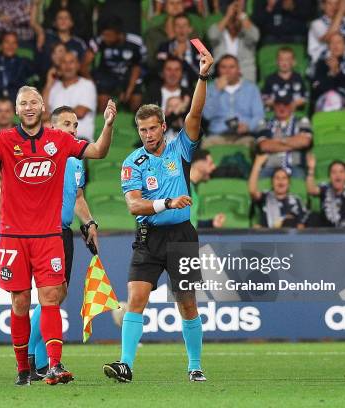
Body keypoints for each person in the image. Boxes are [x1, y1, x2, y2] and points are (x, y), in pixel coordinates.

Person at [0, 86, 117, 386]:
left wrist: (108, 126)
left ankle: (54, 365)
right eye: (23, 103)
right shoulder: (6, 139)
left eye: (34, 101)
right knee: (20, 302)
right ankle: (23, 369)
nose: (29, 107)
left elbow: (99, 151)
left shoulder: (60, 140)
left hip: (48, 236)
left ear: (43, 107)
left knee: (50, 298)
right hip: (14, 236)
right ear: (17, 111)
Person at [102, 48, 214, 384]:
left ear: (164, 126)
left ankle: (195, 365)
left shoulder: (181, 147)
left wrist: (202, 76)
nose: (148, 135)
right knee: (136, 297)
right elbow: (134, 206)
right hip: (149, 237)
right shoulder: (132, 163)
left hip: (181, 236)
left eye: (153, 128)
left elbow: (194, 112)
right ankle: (125, 365)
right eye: (143, 130)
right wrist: (166, 202)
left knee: (187, 304)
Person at [27, 105, 100, 381]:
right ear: (52, 127)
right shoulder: (42, 154)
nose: (73, 129)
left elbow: (78, 197)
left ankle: (39, 360)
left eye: (75, 125)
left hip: (64, 231)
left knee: (59, 295)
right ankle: (38, 360)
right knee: (52, 296)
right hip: (43, 232)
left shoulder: (77, 158)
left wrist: (89, 222)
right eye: (67, 124)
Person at [82, 17, 145, 113]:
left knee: (136, 98)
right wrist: (92, 84)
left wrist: (129, 90)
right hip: (107, 75)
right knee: (103, 98)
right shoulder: (99, 40)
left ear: (119, 34)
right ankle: (102, 123)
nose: (104, 37)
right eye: (103, 34)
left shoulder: (135, 42)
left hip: (128, 75)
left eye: (108, 35)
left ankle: (135, 124)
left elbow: (137, 67)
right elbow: (84, 64)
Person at [202, 54, 264, 148]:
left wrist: (248, 126)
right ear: (218, 69)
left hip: (244, 136)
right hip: (217, 136)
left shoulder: (251, 89)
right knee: (205, 145)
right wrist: (217, 91)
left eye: (232, 67)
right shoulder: (210, 88)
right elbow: (207, 115)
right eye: (223, 67)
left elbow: (259, 116)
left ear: (238, 69)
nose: (227, 71)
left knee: (253, 145)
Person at [256, 93, 312, 179]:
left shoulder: (302, 121)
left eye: (285, 105)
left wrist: (278, 141)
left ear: (292, 106)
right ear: (274, 106)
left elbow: (304, 142)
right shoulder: (264, 122)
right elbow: (264, 146)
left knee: (299, 180)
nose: (281, 108)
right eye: (278, 105)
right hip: (270, 166)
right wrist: (294, 143)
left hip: (294, 166)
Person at [43, 51, 97, 141]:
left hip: (79, 140)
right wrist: (49, 84)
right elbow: (42, 114)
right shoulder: (54, 87)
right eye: (64, 62)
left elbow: (80, 112)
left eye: (71, 62)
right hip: (55, 139)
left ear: (78, 65)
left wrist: (51, 117)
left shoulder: (87, 85)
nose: (67, 66)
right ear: (59, 67)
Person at [305, 155, 345, 227]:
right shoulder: (325, 187)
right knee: (313, 216)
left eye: (341, 172)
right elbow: (311, 190)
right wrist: (311, 169)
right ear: (329, 176)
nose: (337, 175)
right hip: (325, 230)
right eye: (334, 172)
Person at [248, 154, 307, 228]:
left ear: (289, 183)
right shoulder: (266, 197)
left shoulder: (296, 200)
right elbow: (252, 191)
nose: (280, 181)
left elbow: (301, 226)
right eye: (277, 178)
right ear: (272, 183)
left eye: (284, 178)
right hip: (266, 236)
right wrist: (257, 164)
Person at [207, 0, 260, 82]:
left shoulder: (246, 34)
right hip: (220, 76)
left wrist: (241, 14)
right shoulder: (220, 34)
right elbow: (212, 35)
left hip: (244, 77)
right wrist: (228, 15)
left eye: (236, 19)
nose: (234, 22)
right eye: (231, 20)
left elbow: (255, 37)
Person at [311, 33, 345, 112]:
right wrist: (331, 73)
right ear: (328, 46)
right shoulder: (321, 64)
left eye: (339, 42)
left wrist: (337, 72)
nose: (335, 46)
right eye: (332, 43)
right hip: (324, 108)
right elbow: (317, 89)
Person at [144, 57, 191, 136]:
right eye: (169, 69)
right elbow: (144, 122)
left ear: (182, 73)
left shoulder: (188, 95)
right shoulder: (152, 92)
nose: (173, 74)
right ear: (162, 73)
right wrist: (176, 112)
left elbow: (195, 126)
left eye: (177, 70)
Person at [154, 14, 200, 87]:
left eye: (184, 25)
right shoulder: (164, 47)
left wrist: (181, 58)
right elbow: (158, 72)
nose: (181, 29)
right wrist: (172, 56)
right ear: (173, 29)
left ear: (190, 29)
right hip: (168, 88)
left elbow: (200, 76)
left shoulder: (199, 47)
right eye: (177, 26)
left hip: (192, 90)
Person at [189, 149, 226, 228]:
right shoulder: (182, 187)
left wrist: (211, 223)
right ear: (199, 164)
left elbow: (191, 223)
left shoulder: (191, 188)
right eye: (210, 164)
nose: (214, 167)